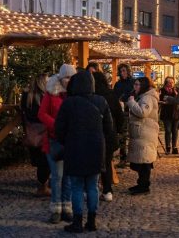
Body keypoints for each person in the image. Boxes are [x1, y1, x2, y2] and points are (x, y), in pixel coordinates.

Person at [55, 71, 113, 233]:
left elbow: (59, 129)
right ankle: (92, 221)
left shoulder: (69, 103)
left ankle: (78, 221)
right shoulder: (101, 101)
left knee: (77, 187)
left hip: (75, 148)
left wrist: (65, 141)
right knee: (93, 186)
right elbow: (109, 128)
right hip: (96, 148)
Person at [38, 63, 77, 224]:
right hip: (54, 141)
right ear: (61, 78)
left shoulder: (74, 94)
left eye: (71, 77)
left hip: (70, 141)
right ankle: (56, 210)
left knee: (68, 177)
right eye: (66, 77)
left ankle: (67, 208)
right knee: (57, 176)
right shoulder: (51, 93)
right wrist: (56, 124)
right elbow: (41, 114)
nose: (68, 80)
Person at [126, 77, 159, 195]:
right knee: (142, 159)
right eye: (134, 84)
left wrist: (131, 102)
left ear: (143, 86)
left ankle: (144, 186)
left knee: (144, 161)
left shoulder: (147, 97)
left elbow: (142, 112)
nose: (135, 86)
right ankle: (141, 184)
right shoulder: (144, 96)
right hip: (143, 132)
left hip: (146, 132)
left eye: (137, 84)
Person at [93, 71, 121, 202]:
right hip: (110, 133)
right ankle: (107, 190)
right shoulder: (111, 95)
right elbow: (119, 115)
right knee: (107, 163)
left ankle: (92, 190)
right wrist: (118, 130)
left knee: (92, 163)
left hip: (95, 134)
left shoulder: (92, 96)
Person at [21, 73, 50, 197]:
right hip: (44, 132)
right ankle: (43, 186)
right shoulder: (44, 97)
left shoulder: (27, 97)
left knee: (38, 159)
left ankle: (42, 185)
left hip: (31, 132)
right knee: (45, 160)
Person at [113, 63, 134, 166]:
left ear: (128, 71)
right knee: (123, 135)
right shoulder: (118, 84)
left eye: (124, 71)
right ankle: (123, 157)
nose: (122, 73)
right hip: (123, 111)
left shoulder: (133, 82)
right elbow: (115, 97)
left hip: (133, 111)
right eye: (121, 71)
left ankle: (133, 156)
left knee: (133, 134)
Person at [159, 77, 179, 155]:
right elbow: (161, 99)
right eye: (169, 82)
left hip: (175, 113)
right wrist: (165, 101)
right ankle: (168, 147)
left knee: (175, 130)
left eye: (172, 82)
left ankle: (174, 147)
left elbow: (178, 100)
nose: (171, 84)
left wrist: (170, 100)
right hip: (166, 113)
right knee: (168, 130)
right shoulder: (162, 90)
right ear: (166, 83)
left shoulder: (176, 90)